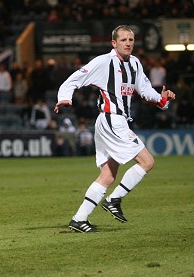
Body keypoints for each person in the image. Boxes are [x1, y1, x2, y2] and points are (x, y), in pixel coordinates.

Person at [54, 25, 176, 233]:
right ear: (114, 43)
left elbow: (145, 91)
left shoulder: (135, 64)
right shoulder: (103, 62)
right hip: (112, 120)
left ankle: (79, 219)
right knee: (147, 161)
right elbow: (74, 78)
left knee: (108, 176)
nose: (128, 43)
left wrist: (162, 99)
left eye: (131, 39)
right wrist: (65, 98)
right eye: (123, 40)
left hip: (115, 121)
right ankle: (114, 199)